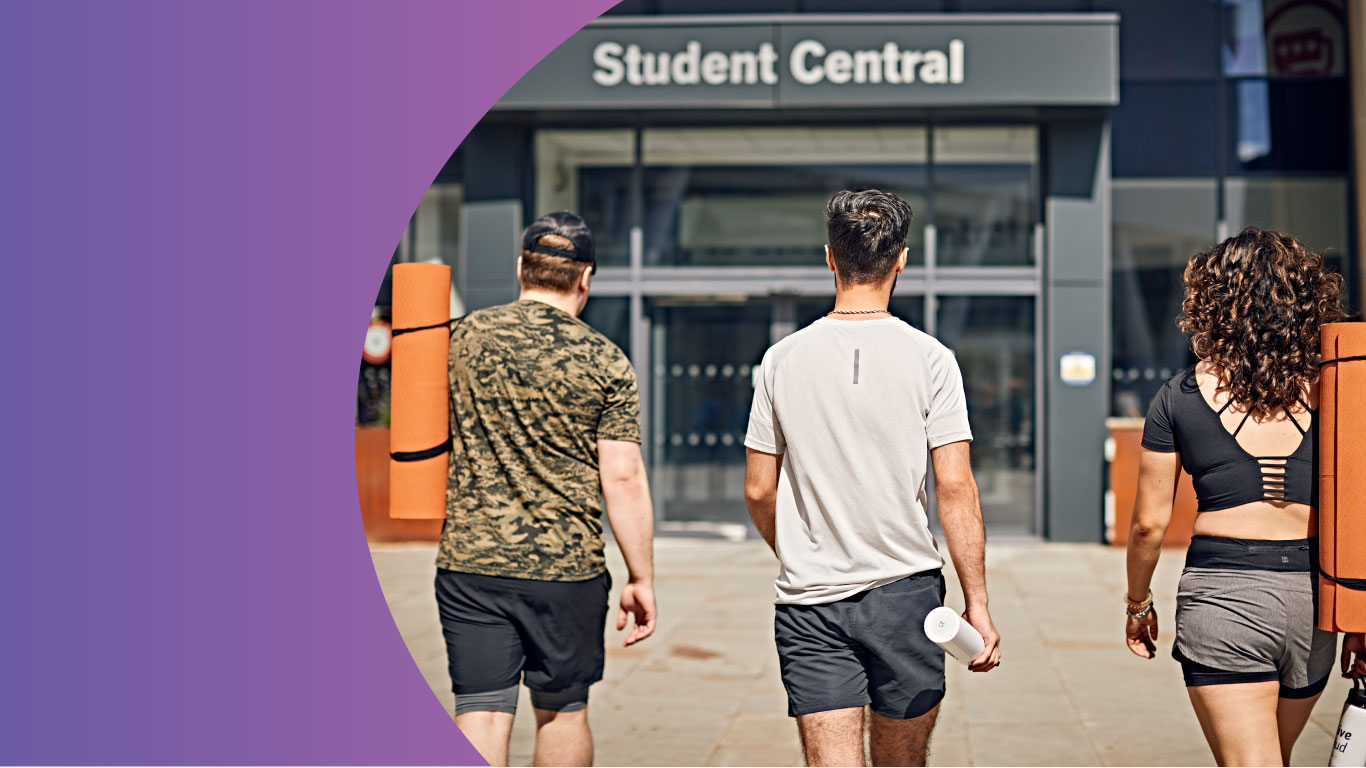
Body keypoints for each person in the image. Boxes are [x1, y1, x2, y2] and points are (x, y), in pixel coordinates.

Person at [744, 188, 1002, 767]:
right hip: (906, 595)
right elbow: (955, 487)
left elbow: (760, 489)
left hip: (810, 601)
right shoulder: (932, 358)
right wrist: (977, 603)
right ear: (902, 259)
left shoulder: (781, 359)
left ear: (830, 257)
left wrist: (796, 549)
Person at [1124, 227, 1366, 766]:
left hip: (1223, 596)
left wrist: (1138, 603)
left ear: (1212, 302)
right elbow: (1359, 508)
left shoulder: (1179, 395)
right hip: (1314, 601)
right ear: (1305, 299)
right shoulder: (1339, 388)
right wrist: (1360, 614)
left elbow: (1146, 526)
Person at [435, 211, 657, 767]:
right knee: (562, 709)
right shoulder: (606, 360)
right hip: (567, 571)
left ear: (520, 269)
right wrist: (641, 577)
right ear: (586, 278)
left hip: (471, 565)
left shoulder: (459, 340)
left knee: (481, 710)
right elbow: (623, 476)